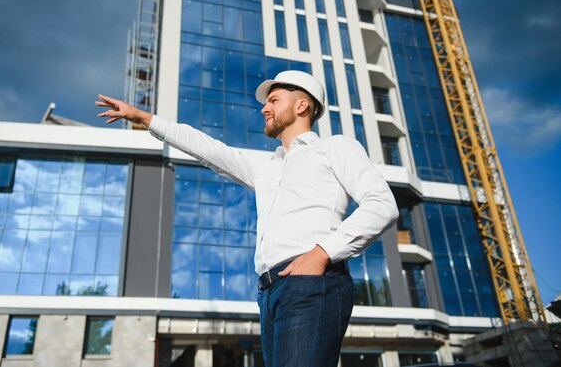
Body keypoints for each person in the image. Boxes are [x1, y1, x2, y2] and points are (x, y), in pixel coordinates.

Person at [96, 70, 398, 367]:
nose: (265, 108)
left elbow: (382, 205)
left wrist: (321, 254)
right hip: (269, 293)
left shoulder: (334, 148)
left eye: (274, 100)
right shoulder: (267, 166)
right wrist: (147, 119)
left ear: (301, 105)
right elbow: (210, 150)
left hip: (312, 283)